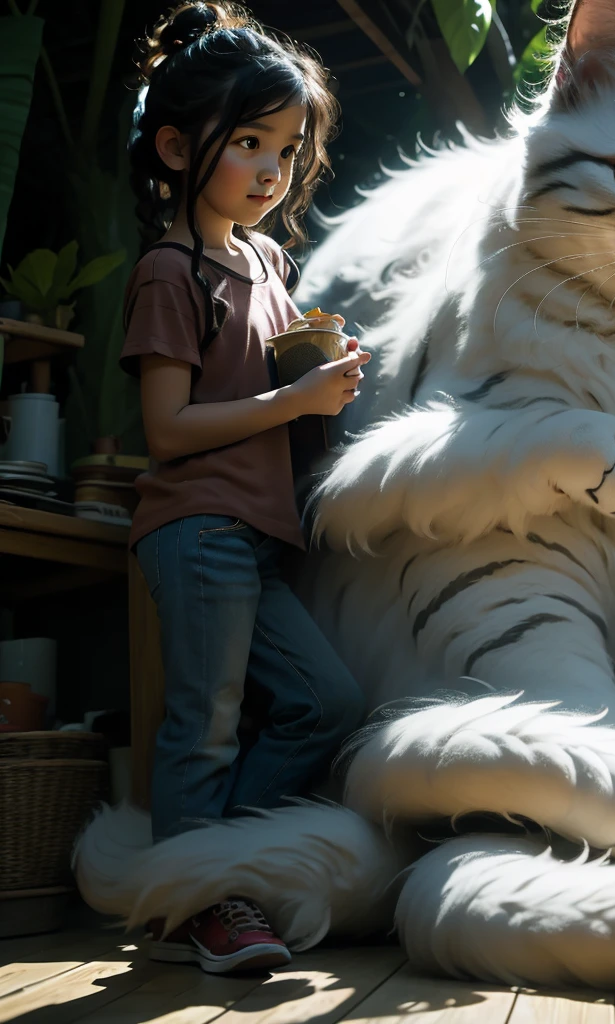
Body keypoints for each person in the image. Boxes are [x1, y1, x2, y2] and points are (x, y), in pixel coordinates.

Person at [120, 0, 369, 974]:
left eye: (287, 148)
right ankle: (204, 904)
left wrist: (322, 377)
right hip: (197, 527)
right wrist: (292, 396)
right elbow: (169, 429)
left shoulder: (266, 259)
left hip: (260, 532)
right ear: (178, 149)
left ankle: (214, 872)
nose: (271, 172)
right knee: (204, 726)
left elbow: (269, 391)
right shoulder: (168, 272)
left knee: (325, 700)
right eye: (250, 145)